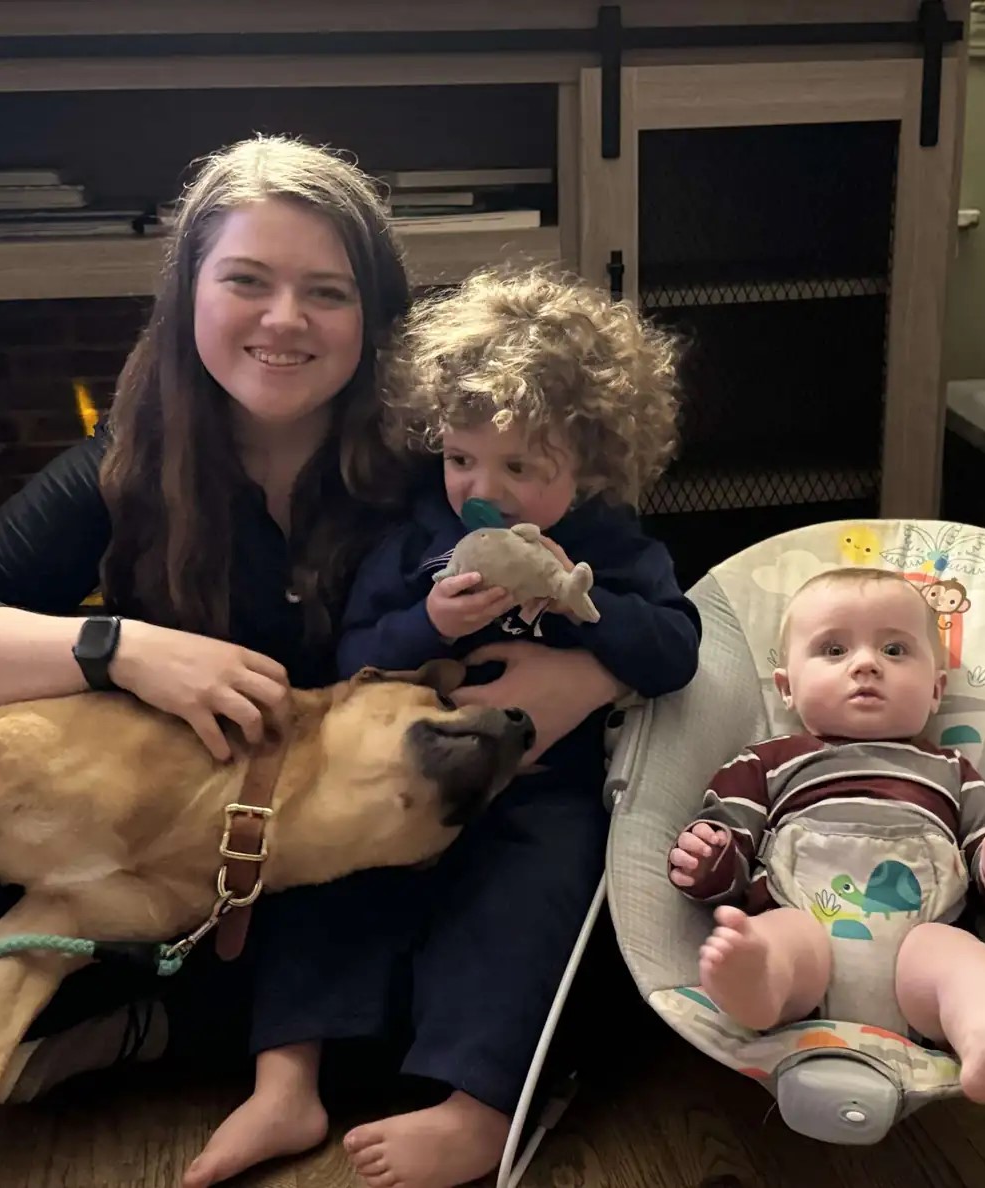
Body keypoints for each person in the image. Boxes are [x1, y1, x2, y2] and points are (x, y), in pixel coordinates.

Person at [0, 134, 633, 1188]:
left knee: (591, 915)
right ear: (189, 295)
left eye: (325, 292)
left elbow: (632, 579)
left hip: (371, 844)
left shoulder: (449, 455)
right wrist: (123, 649)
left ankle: (196, 1031)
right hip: (172, 846)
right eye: (246, 281)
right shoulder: (125, 464)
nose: (283, 319)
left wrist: (594, 674)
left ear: (373, 315)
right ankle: (229, 1029)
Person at [284, 264, 697, 1184]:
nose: (487, 490)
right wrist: (431, 623)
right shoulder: (422, 537)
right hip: (410, 776)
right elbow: (356, 653)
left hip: (541, 791)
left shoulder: (612, 545)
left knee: (532, 894)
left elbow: (676, 647)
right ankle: (286, 1076)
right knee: (321, 870)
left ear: (590, 468)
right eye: (463, 459)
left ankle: (478, 1108)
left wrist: (586, 616)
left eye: (522, 468)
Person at [666, 566, 985, 1105]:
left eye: (894, 650)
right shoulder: (769, 761)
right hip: (806, 924)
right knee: (782, 935)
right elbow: (730, 842)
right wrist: (709, 859)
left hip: (920, 945)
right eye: (834, 650)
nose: (866, 664)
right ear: (787, 689)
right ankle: (757, 985)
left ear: (936, 691)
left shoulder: (952, 769)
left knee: (960, 959)